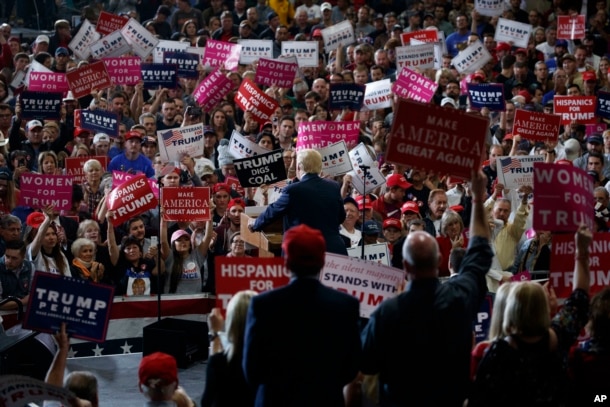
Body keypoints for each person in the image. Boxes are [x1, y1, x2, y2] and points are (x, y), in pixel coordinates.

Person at [360, 169, 493, 406]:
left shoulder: (387, 313)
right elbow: (480, 250)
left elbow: (367, 363)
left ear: (406, 266)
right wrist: (478, 198)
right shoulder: (459, 295)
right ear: (437, 260)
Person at [470, 225, 592, 406]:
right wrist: (582, 253)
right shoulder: (559, 338)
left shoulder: (494, 355)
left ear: (509, 313)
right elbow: (579, 298)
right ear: (544, 309)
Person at [243, 224, 361, 405]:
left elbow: (252, 370)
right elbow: (350, 369)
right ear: (322, 261)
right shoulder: (346, 306)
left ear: (287, 262)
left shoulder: (263, 305)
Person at [248, 149, 348, 255]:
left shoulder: (292, 190)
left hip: (301, 253)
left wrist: (255, 223)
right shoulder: (333, 186)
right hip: (332, 251)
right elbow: (341, 217)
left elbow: (273, 211)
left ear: (299, 167)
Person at [201, 290, 257, 407]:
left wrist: (215, 334)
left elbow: (207, 402)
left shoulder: (219, 363)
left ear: (231, 322)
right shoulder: (272, 362)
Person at [0, 240, 33, 310]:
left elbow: (33, 294)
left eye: (14, 258)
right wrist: (23, 301)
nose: (9, 261)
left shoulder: (30, 266)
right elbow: (0, 304)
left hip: (24, 310)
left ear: (23, 257)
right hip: (3, 313)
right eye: (7, 256)